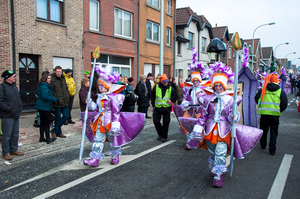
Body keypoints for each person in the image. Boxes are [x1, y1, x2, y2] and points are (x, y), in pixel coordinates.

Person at [179, 62, 263, 188]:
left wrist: (234, 116)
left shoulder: (231, 100)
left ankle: (218, 176)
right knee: (212, 151)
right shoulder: (207, 99)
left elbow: (233, 116)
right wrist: (198, 129)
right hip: (209, 129)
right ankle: (215, 168)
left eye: (220, 86)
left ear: (224, 86)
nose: (218, 88)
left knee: (220, 151)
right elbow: (203, 116)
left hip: (224, 130)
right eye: (216, 86)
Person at [82, 65, 145, 167]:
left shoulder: (113, 98)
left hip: (110, 122)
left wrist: (115, 125)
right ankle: (95, 159)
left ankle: (115, 156)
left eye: (102, 85)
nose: (100, 88)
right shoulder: (99, 97)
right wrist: (90, 103)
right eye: (99, 86)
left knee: (113, 140)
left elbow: (116, 112)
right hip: (100, 121)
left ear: (107, 86)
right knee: (98, 139)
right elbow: (98, 109)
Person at [173, 47, 208, 149]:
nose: (195, 82)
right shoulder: (189, 90)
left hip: (199, 112)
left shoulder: (204, 90)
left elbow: (207, 101)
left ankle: (198, 142)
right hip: (190, 110)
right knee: (188, 126)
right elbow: (184, 98)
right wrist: (185, 103)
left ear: (200, 81)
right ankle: (189, 142)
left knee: (199, 127)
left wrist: (202, 104)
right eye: (194, 81)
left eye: (197, 81)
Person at [255, 73, 288, 155]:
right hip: (275, 115)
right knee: (274, 132)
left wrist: (261, 105)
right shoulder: (280, 91)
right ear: (277, 81)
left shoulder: (263, 89)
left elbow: (256, 98)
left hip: (264, 114)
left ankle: (263, 144)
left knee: (263, 130)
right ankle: (272, 149)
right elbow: (284, 104)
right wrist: (279, 110)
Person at [0, 70, 24, 160]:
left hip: (15, 115)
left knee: (15, 134)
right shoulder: (2, 87)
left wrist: (19, 108)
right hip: (7, 116)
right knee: (7, 135)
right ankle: (5, 152)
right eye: (14, 76)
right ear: (7, 77)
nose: (15, 77)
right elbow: (0, 102)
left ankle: (14, 149)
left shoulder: (14, 87)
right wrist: (9, 109)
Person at [151, 74, 177, 142]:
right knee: (156, 121)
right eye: (164, 82)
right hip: (157, 107)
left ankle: (164, 136)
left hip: (166, 108)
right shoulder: (156, 87)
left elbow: (175, 96)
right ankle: (160, 134)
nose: (166, 83)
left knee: (166, 122)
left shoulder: (171, 88)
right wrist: (153, 104)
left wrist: (171, 100)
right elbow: (152, 96)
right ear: (161, 82)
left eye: (167, 82)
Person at [34, 72, 57, 144]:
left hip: (43, 106)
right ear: (45, 79)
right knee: (47, 122)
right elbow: (45, 97)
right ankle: (48, 138)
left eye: (50, 78)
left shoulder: (44, 85)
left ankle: (42, 137)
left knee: (43, 123)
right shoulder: (44, 86)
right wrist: (54, 99)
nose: (50, 80)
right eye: (48, 78)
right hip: (43, 107)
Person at [50, 66, 69, 138]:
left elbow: (66, 89)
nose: (59, 73)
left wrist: (67, 96)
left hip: (65, 101)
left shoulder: (63, 78)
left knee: (66, 116)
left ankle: (54, 130)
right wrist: (54, 99)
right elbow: (51, 91)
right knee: (57, 117)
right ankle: (59, 132)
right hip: (57, 102)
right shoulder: (53, 80)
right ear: (55, 71)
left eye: (60, 71)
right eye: (57, 71)